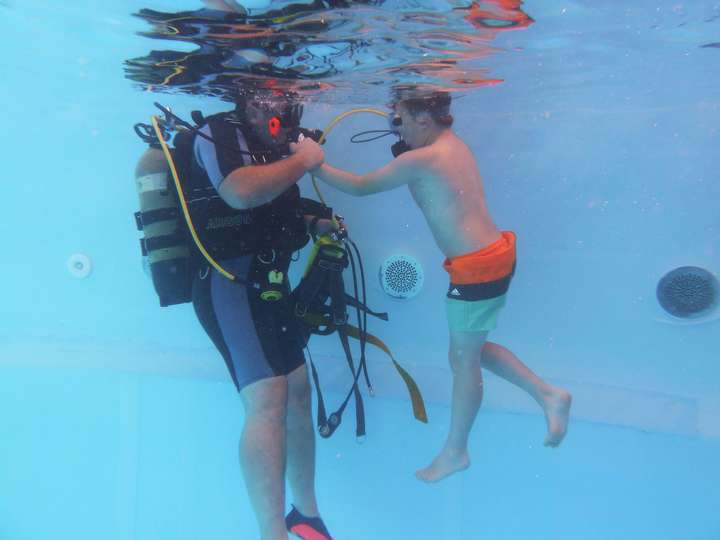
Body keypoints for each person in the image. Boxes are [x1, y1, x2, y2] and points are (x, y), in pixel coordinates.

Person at [297, 88, 572, 483]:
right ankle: (547, 395)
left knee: (463, 362)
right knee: (469, 354)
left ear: (423, 119)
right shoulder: (450, 147)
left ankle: (457, 450)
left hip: (476, 268)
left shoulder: (425, 158)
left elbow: (359, 185)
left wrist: (314, 164)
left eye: (402, 120)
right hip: (489, 259)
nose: (398, 129)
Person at [136, 90, 335, 539]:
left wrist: (313, 222)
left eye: (284, 102)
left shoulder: (276, 144)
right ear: (243, 98)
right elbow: (240, 194)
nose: (277, 108)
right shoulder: (217, 132)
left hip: (269, 284)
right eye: (267, 100)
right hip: (231, 286)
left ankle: (306, 514)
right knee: (267, 403)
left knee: (298, 393)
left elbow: (271, 210)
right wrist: (304, 160)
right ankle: (272, 534)